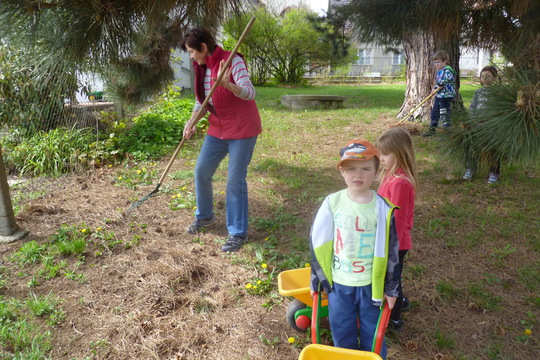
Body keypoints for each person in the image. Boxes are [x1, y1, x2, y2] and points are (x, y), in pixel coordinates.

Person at [309, 139, 400, 359]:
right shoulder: (333, 203)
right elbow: (318, 244)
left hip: (372, 285)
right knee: (341, 328)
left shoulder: (383, 209)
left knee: (373, 331)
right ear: (342, 171)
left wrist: (392, 289)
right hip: (339, 284)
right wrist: (316, 279)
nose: (358, 175)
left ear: (377, 171)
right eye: (351, 169)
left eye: (366, 169)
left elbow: (392, 252)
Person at [181, 27, 262, 252]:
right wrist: (192, 122)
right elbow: (203, 100)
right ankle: (205, 216)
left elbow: (250, 92)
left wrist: (229, 85)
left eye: (191, 51)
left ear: (203, 47)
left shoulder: (232, 61)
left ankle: (237, 233)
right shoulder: (202, 67)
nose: (191, 56)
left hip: (243, 129)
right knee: (202, 171)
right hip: (218, 128)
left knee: (234, 180)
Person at [376, 127, 418, 331]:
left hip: (395, 243)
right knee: (391, 277)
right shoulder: (390, 176)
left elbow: (398, 221)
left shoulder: (400, 183)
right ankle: (400, 303)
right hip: (387, 239)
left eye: (385, 154)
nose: (381, 158)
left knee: (392, 280)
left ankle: (395, 319)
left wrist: (389, 246)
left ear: (399, 154)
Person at [462, 66, 501, 184]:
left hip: (492, 126)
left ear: (495, 78)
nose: (485, 79)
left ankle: (494, 172)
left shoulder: (499, 93)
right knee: (473, 147)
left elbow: (500, 110)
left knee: (493, 149)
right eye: (483, 76)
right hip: (477, 125)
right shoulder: (478, 92)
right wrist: (470, 120)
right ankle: (470, 168)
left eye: (488, 76)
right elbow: (473, 107)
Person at [422, 50, 456, 137]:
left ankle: (448, 132)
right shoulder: (440, 71)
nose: (436, 64)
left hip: (446, 96)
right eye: (435, 62)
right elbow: (439, 83)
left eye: (438, 62)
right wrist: (435, 88)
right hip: (439, 95)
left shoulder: (448, 70)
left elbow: (446, 79)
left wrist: (440, 85)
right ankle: (432, 129)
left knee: (444, 113)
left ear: (445, 61)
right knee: (434, 113)